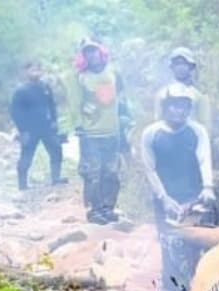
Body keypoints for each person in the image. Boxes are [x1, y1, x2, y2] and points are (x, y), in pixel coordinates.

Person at [141, 83, 216, 291]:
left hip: (194, 196)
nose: (178, 110)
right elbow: (150, 169)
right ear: (165, 106)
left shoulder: (197, 132)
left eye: (184, 106)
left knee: (198, 248)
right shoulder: (151, 134)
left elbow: (205, 159)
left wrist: (208, 188)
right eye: (174, 105)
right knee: (170, 249)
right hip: (165, 200)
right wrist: (164, 198)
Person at [70, 37, 130, 224]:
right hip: (91, 134)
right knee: (92, 173)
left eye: (94, 51)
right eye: (87, 52)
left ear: (100, 52)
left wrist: (126, 119)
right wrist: (79, 125)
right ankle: (94, 210)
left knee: (112, 172)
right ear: (83, 56)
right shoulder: (80, 77)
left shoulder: (114, 72)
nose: (92, 55)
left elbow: (122, 96)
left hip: (113, 132)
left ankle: (108, 207)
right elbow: (74, 104)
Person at [10, 60, 66, 190]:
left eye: (37, 69)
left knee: (56, 149)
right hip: (29, 129)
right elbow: (15, 112)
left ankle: (56, 178)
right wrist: (22, 130)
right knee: (26, 155)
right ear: (26, 72)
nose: (35, 72)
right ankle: (22, 184)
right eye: (32, 70)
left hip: (46, 127)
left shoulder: (45, 87)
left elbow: (52, 105)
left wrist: (54, 121)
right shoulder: (21, 91)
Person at [153, 47, 212, 133]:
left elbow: (205, 125)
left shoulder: (199, 95)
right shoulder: (162, 94)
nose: (180, 67)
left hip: (192, 143)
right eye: (177, 63)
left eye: (184, 63)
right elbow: (158, 123)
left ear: (190, 67)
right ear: (172, 67)